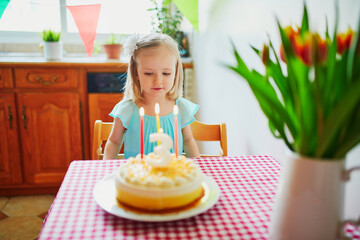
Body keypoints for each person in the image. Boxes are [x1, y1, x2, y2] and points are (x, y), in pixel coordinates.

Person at [103, 33, 200, 160]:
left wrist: (198, 166)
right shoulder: (128, 109)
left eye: (166, 73)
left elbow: (188, 140)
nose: (158, 81)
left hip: (172, 176)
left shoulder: (180, 107)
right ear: (135, 72)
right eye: (149, 73)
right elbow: (114, 142)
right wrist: (107, 167)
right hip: (138, 176)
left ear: (175, 72)